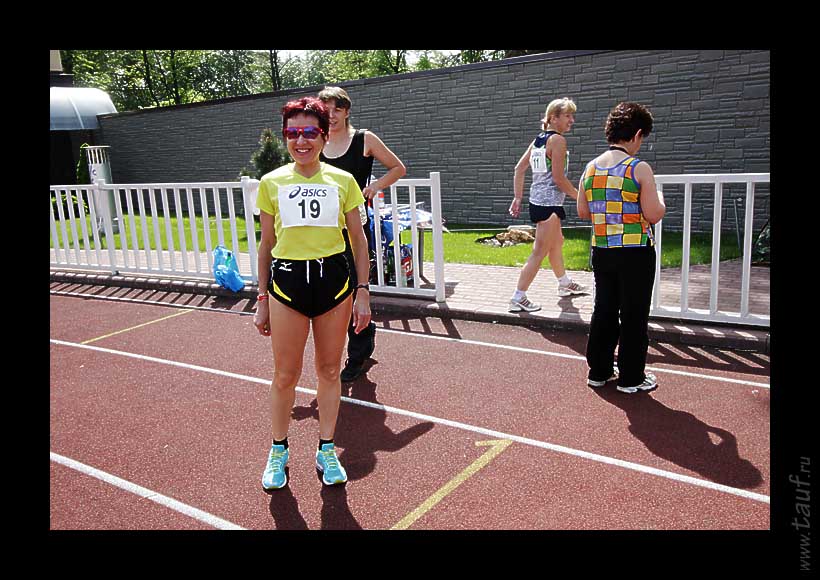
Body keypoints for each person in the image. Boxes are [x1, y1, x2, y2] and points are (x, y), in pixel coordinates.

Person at [253, 96, 371, 490]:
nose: (301, 141)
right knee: (285, 374)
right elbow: (266, 244)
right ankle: (278, 450)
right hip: (286, 286)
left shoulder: (343, 181)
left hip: (333, 284)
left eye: (309, 133)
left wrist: (363, 291)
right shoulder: (272, 182)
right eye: (293, 133)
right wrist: (261, 299)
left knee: (329, 370)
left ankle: (326, 449)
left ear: (323, 135)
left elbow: (358, 240)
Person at [318, 86, 406, 382]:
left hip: (355, 226)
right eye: (326, 110)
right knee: (332, 293)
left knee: (357, 288)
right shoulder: (316, 141)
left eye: (337, 109)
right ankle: (362, 336)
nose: (331, 115)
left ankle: (357, 354)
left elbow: (398, 168)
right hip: (325, 229)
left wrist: (375, 186)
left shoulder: (364, 139)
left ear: (346, 111)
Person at [576, 102, 665, 394]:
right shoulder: (639, 168)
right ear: (637, 134)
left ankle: (599, 371)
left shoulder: (590, 167)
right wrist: (660, 199)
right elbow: (653, 213)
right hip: (635, 251)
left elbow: (583, 212)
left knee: (604, 309)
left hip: (602, 249)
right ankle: (631, 377)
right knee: (633, 314)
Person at [508, 97, 587, 313]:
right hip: (549, 204)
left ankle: (564, 283)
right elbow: (559, 179)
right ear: (553, 118)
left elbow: (519, 169)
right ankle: (518, 297)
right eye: (568, 116)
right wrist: (580, 197)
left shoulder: (539, 139)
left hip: (540, 202)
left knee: (557, 242)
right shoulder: (558, 141)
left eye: (572, 116)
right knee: (539, 251)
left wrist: (518, 197)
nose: (572, 120)